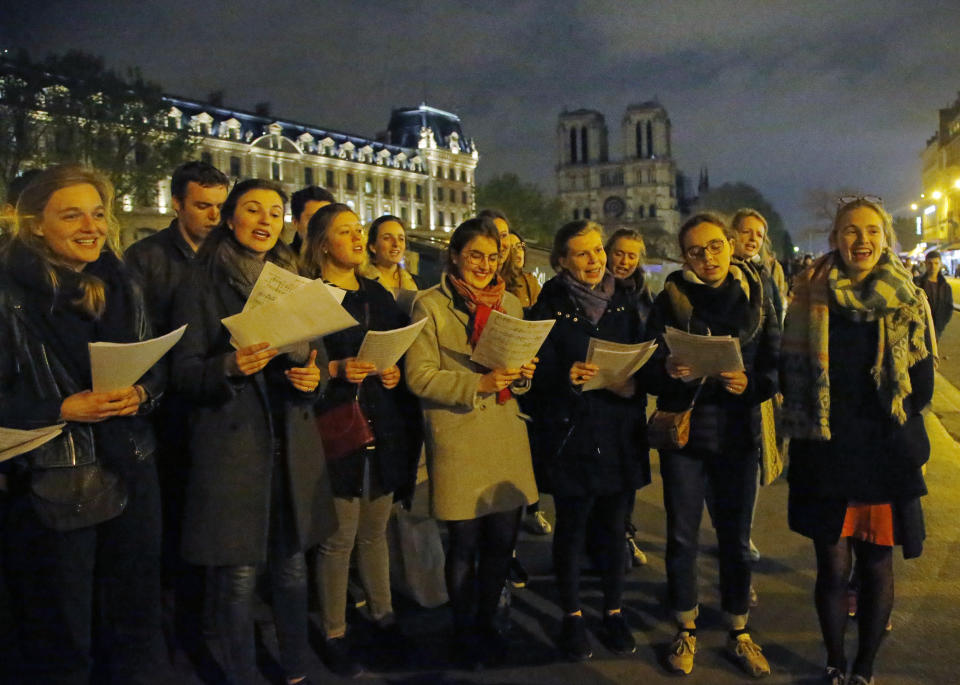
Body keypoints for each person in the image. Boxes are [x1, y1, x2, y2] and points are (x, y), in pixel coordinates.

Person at [0, 165, 164, 683]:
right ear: (34, 225)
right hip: (53, 484)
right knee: (63, 632)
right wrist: (61, 409)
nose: (92, 226)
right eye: (72, 215)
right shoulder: (9, 294)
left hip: (132, 472)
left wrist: (142, 392)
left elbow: (156, 369)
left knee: (134, 622)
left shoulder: (124, 282)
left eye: (97, 213)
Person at [170, 178, 334, 685]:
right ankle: (240, 672)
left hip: (291, 445)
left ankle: (295, 667)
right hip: (234, 449)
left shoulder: (293, 277)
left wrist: (315, 377)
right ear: (230, 217)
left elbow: (317, 356)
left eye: (276, 211)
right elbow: (182, 372)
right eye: (253, 210)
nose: (266, 221)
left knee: (291, 568)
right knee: (238, 576)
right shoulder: (200, 282)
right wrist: (231, 366)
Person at [782, 196, 933, 685]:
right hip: (825, 451)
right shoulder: (807, 292)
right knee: (830, 568)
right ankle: (835, 662)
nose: (861, 240)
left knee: (876, 566)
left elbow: (923, 386)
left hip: (883, 453)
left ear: (885, 238)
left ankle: (865, 667)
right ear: (835, 238)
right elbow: (789, 371)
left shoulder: (909, 297)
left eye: (871, 231)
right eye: (850, 230)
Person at [404, 216, 539, 667]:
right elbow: (419, 377)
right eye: (475, 255)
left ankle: (488, 623)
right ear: (455, 257)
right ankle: (463, 633)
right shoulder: (429, 305)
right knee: (463, 544)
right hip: (459, 435)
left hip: (505, 435)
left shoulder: (513, 304)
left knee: (501, 544)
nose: (484, 264)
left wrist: (522, 377)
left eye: (492, 256)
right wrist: (476, 386)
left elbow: (515, 376)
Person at [649, 212, 779, 678]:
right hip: (685, 435)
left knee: (735, 540)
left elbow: (774, 367)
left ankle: (739, 630)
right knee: (682, 536)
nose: (708, 258)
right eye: (695, 251)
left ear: (731, 244)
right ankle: (685, 625)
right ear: (683, 256)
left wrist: (751, 383)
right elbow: (648, 363)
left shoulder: (758, 297)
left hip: (737, 434)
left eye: (715, 246)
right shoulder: (669, 299)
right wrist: (667, 370)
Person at [301, 204, 420, 676]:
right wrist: (332, 370)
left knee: (376, 532)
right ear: (322, 242)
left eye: (357, 230)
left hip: (382, 424)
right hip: (336, 427)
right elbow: (295, 363)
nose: (355, 237)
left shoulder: (378, 293)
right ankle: (334, 629)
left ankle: (382, 613)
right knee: (339, 537)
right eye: (344, 231)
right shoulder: (310, 296)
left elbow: (398, 348)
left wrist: (393, 372)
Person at [525, 220, 653, 662]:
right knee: (573, 528)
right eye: (583, 253)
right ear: (561, 260)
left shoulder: (627, 304)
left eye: (598, 250)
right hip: (572, 434)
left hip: (619, 430)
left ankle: (613, 612)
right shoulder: (547, 307)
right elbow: (532, 374)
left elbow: (647, 359)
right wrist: (565, 378)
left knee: (615, 528)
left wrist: (635, 385)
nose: (596, 260)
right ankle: (573, 615)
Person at [124, 159, 229, 648]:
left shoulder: (227, 255)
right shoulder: (145, 258)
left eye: (219, 207)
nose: (213, 216)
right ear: (177, 205)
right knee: (172, 516)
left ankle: (207, 618)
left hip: (218, 396)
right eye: (203, 206)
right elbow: (136, 334)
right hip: (166, 405)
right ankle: (174, 625)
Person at [603, 227, 654, 568]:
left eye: (631, 256)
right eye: (618, 253)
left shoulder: (645, 298)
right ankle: (603, 541)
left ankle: (624, 534)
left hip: (631, 396)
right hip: (600, 395)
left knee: (627, 476)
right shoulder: (596, 291)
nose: (624, 261)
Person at [362, 213, 419, 292]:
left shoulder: (419, 283)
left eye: (401, 239)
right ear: (373, 247)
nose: (396, 244)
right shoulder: (359, 283)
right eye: (387, 238)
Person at [915, 249, 952, 343]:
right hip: (919, 328)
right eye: (930, 263)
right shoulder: (917, 283)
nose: (933, 266)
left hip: (937, 328)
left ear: (940, 264)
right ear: (925, 264)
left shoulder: (945, 286)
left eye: (936, 263)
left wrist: (940, 326)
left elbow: (949, 307)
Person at [500, 231, 541, 310]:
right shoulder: (496, 282)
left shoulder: (531, 281)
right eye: (511, 248)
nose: (517, 252)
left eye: (519, 246)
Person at [289, 185, 334, 254]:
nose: (322, 225)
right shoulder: (282, 261)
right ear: (295, 222)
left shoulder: (345, 258)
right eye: (314, 219)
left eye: (327, 218)